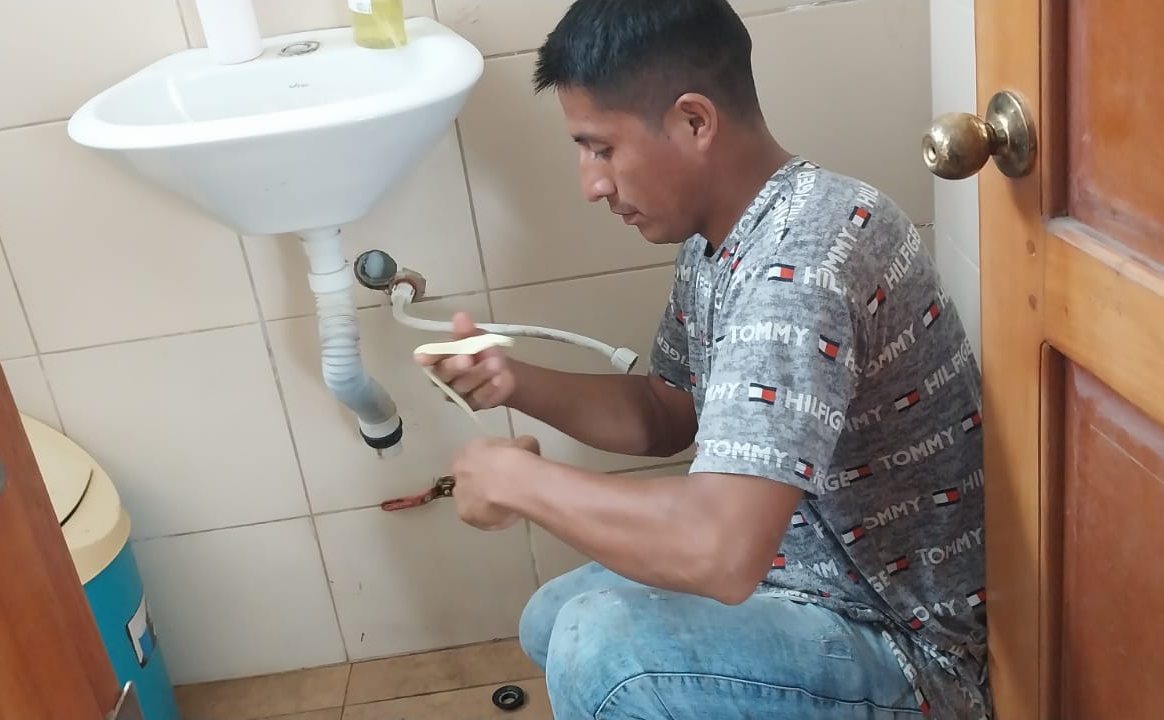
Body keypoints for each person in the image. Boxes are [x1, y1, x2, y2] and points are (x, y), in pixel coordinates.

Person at [415, 1, 988, 717]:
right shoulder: (725, 238)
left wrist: (518, 481)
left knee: (604, 655)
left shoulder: (801, 264)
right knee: (550, 621)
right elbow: (666, 411)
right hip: (801, 572)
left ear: (693, 121)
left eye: (600, 148)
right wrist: (513, 382)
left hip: (902, 643)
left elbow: (720, 549)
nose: (591, 184)